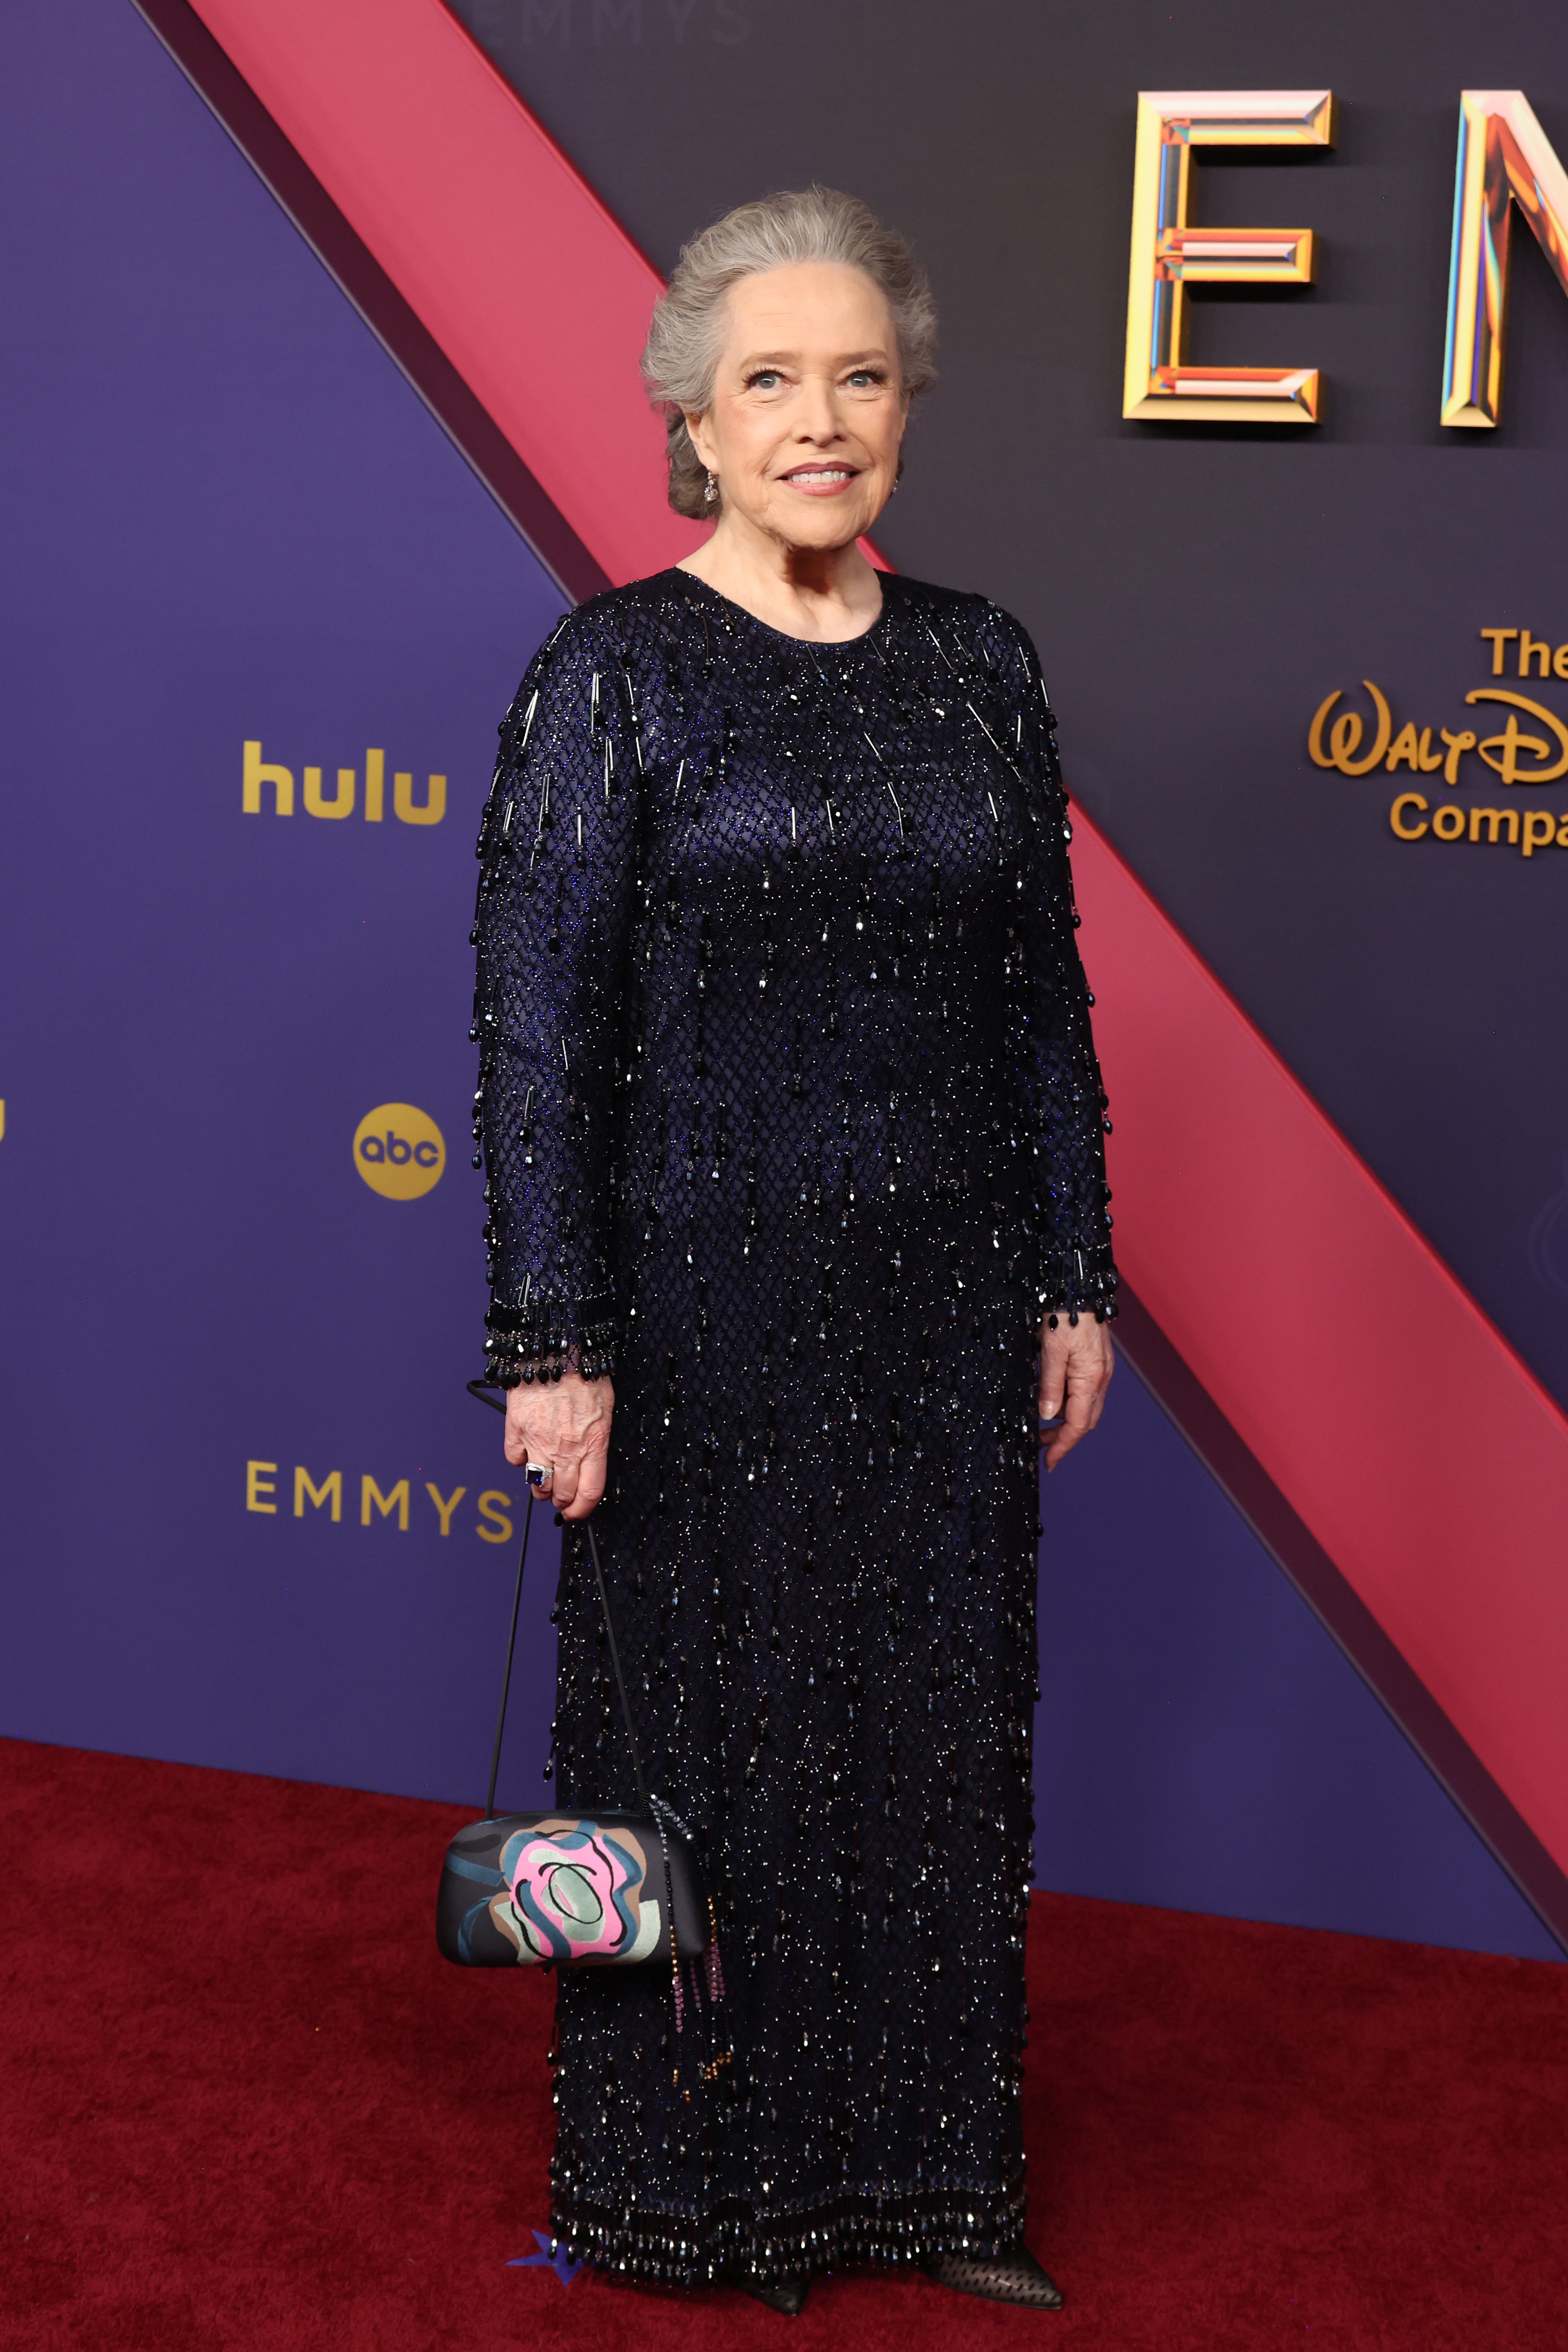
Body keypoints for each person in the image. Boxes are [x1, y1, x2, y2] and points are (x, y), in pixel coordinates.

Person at [471, 186, 1116, 2317]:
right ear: (695, 415)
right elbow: (539, 1037)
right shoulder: (612, 674)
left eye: (858, 377)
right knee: (688, 1750)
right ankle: (673, 2194)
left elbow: (1042, 998)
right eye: (772, 380)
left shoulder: (981, 665)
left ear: (905, 410)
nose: (818, 420)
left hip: (941, 1320)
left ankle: (926, 2186)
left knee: (936, 1747)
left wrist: (1071, 1276)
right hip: (695, 1314)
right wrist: (554, 1342)